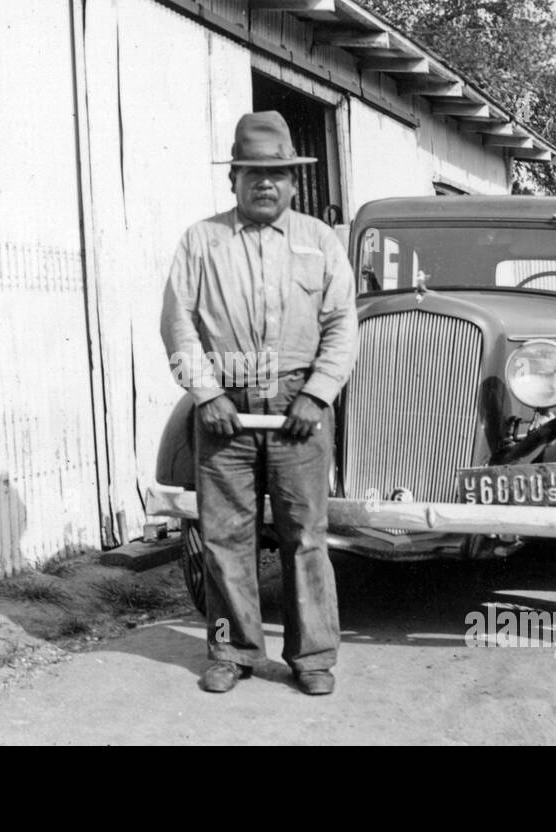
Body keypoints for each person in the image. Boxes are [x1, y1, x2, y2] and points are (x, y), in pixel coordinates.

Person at [159, 112, 357, 696]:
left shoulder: (319, 242)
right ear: (234, 179)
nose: (264, 184)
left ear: (294, 181)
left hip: (299, 407)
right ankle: (231, 648)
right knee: (223, 539)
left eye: (276, 174)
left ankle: (313, 657)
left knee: (306, 536)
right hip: (226, 411)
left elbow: (343, 324)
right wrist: (207, 393)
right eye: (252, 173)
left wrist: (318, 393)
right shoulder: (201, 241)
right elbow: (177, 326)